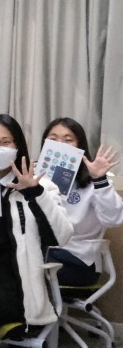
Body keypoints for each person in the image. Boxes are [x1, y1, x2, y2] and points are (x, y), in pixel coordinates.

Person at [0, 114, 74, 334]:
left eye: (5, 142)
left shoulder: (41, 184)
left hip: (13, 283)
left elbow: (61, 236)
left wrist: (34, 193)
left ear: (18, 146)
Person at [40, 117, 122, 287]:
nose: (60, 144)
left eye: (68, 140)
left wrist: (99, 180)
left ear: (80, 146)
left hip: (77, 260)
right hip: (40, 254)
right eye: (53, 139)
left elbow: (114, 219)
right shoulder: (36, 181)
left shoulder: (93, 183)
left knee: (23, 268)